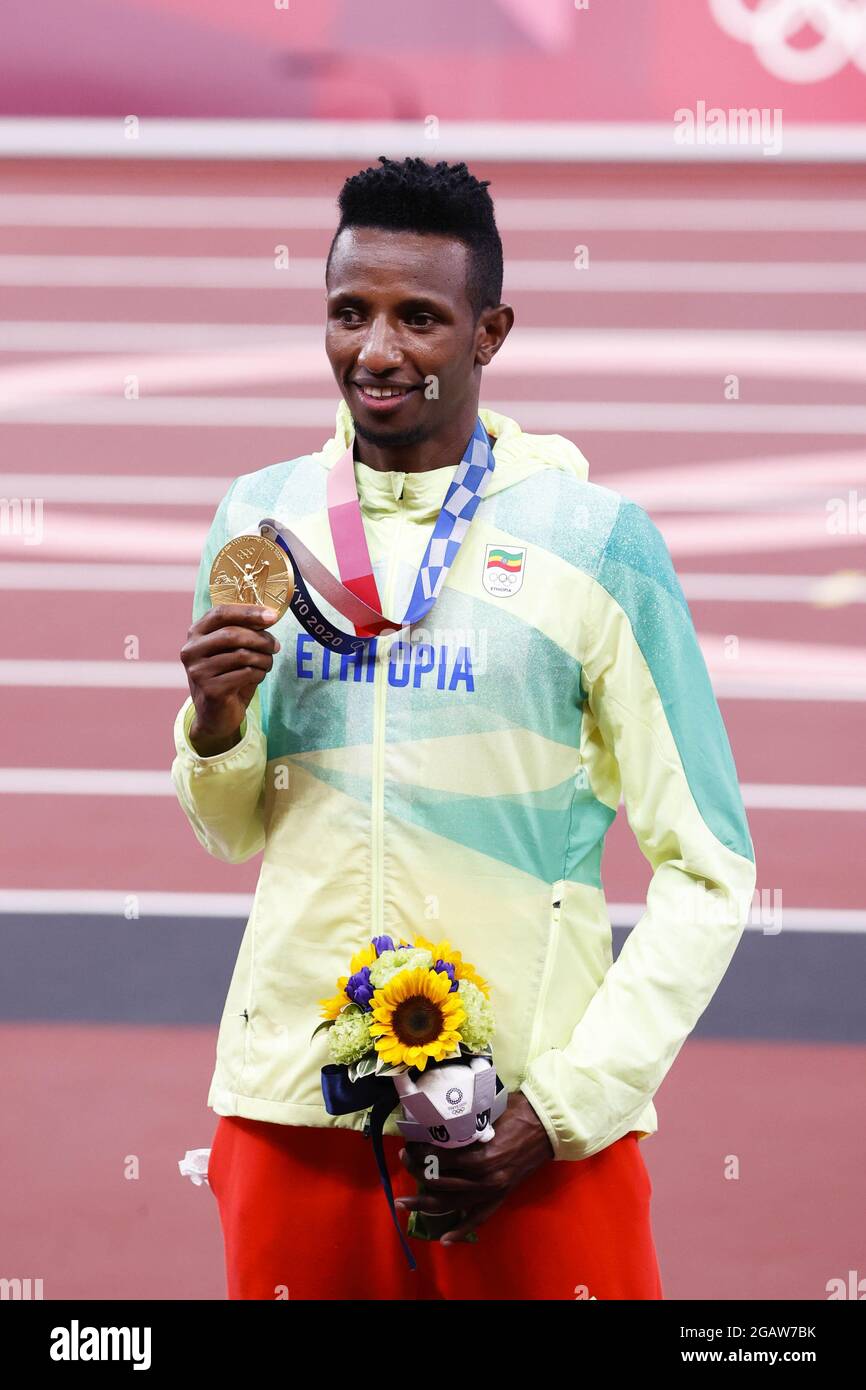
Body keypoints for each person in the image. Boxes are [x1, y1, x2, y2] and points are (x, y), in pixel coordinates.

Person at [171, 156, 756, 1301]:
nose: (376, 352)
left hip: (524, 1128)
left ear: (488, 333)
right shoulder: (261, 519)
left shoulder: (593, 543)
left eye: (417, 319)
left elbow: (710, 867)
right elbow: (229, 832)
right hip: (296, 1109)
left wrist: (568, 1103)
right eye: (349, 312)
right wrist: (215, 724)